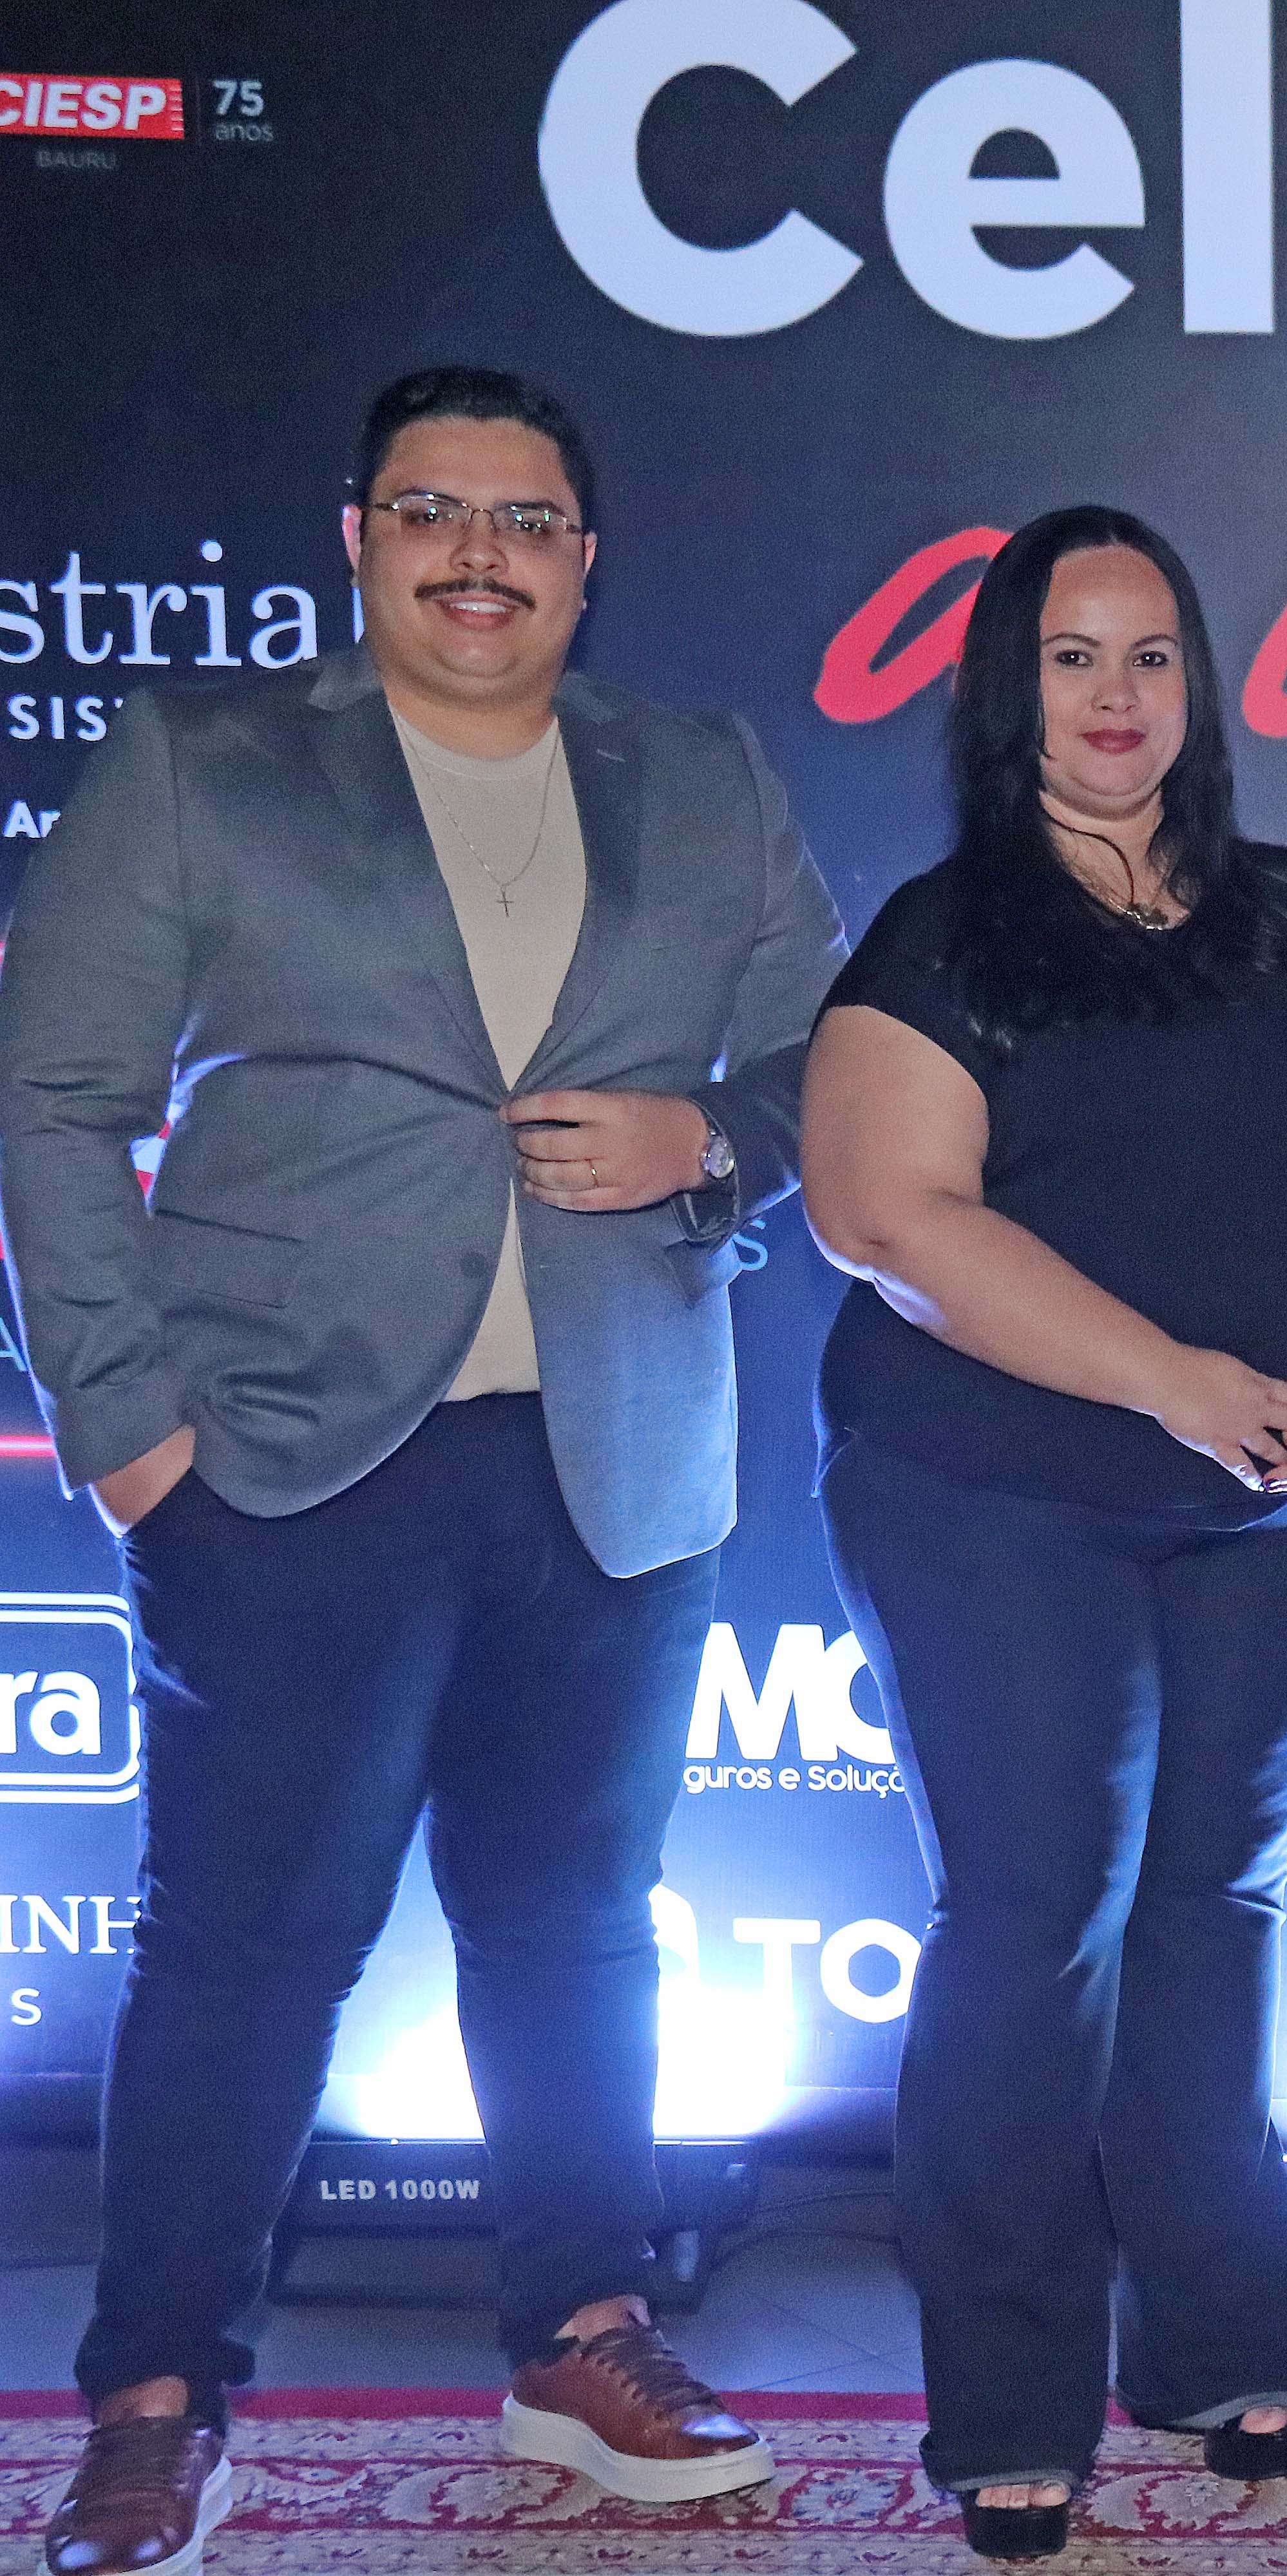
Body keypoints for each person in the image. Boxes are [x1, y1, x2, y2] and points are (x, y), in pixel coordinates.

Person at [0, 365, 846, 2573]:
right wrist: (130, 1429)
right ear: (359, 536)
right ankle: (157, 2392)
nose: (481, 554)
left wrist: (710, 1141)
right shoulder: (200, 763)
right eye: (433, 511)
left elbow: (827, 1067)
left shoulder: (705, 777)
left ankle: (581, 2335)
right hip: (285, 1458)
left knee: (577, 1931)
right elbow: (54, 1101)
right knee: (247, 1948)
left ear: (588, 556)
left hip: (614, 1460)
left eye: (527, 519)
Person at [799, 505, 1287, 2561]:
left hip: (1286, 1496)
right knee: (1034, 1914)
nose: (1118, 695)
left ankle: (1219, 2335)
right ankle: (1009, 2394)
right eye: (1073, 657)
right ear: (1010, 688)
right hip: (998, 1496)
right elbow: (885, 1213)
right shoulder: (944, 934)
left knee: (1217, 1905)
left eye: (1152, 655)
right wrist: (1175, 1379)